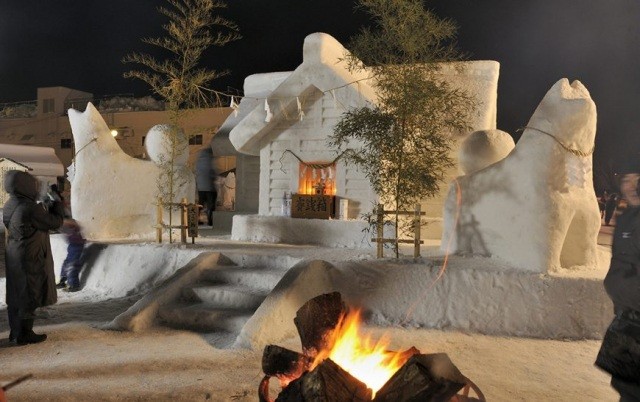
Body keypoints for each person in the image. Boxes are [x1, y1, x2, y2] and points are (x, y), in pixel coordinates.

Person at [3, 170, 64, 345]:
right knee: (30, 295)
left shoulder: (10, 204)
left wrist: (45, 206)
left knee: (17, 295)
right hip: (31, 256)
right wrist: (57, 202)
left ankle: (16, 332)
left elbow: (33, 223)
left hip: (15, 254)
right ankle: (25, 334)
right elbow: (55, 222)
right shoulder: (30, 208)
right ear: (25, 186)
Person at [598, 166, 640, 400]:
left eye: (638, 180)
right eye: (626, 180)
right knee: (625, 386)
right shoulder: (626, 218)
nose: (631, 186)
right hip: (627, 320)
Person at [56, 219, 86, 292]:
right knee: (66, 263)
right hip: (72, 246)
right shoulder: (71, 231)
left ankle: (74, 285)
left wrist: (66, 225)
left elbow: (71, 227)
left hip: (76, 247)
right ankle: (63, 280)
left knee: (71, 266)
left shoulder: (75, 232)